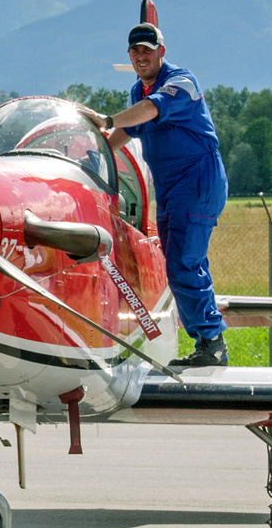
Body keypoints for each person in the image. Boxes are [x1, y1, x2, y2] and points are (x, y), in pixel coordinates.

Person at [95, 21, 230, 367]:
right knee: (178, 265)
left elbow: (149, 111)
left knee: (185, 262)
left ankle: (212, 342)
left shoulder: (181, 82)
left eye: (148, 50)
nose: (141, 57)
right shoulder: (136, 93)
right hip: (169, 187)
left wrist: (106, 119)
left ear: (161, 52)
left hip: (197, 181)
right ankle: (206, 340)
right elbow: (130, 129)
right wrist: (97, 153)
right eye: (135, 51)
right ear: (129, 55)